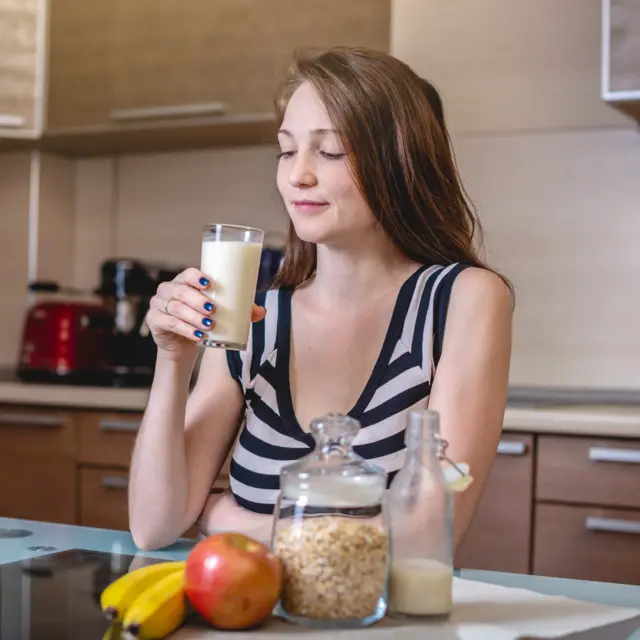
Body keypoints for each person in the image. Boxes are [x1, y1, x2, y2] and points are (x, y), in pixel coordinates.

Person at [128, 46, 513, 551]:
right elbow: (153, 526)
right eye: (287, 150)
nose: (296, 175)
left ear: (399, 162)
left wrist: (230, 520)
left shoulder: (462, 299)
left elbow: (427, 534)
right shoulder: (255, 318)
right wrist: (173, 360)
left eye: (329, 151)